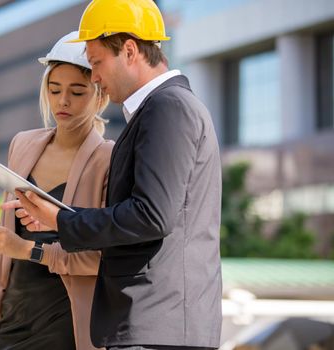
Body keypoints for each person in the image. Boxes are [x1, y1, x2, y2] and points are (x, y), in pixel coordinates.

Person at [13, 0, 223, 349]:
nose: (94, 76)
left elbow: (152, 216)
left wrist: (63, 220)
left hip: (156, 324)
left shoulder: (166, 108)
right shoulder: (161, 109)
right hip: (157, 324)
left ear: (128, 51)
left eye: (96, 63)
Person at [0, 31, 113, 350]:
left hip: (67, 316)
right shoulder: (23, 144)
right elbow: (12, 232)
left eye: (77, 91)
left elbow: (104, 258)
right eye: (54, 88)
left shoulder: (109, 159)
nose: (63, 101)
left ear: (100, 95)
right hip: (14, 310)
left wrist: (27, 250)